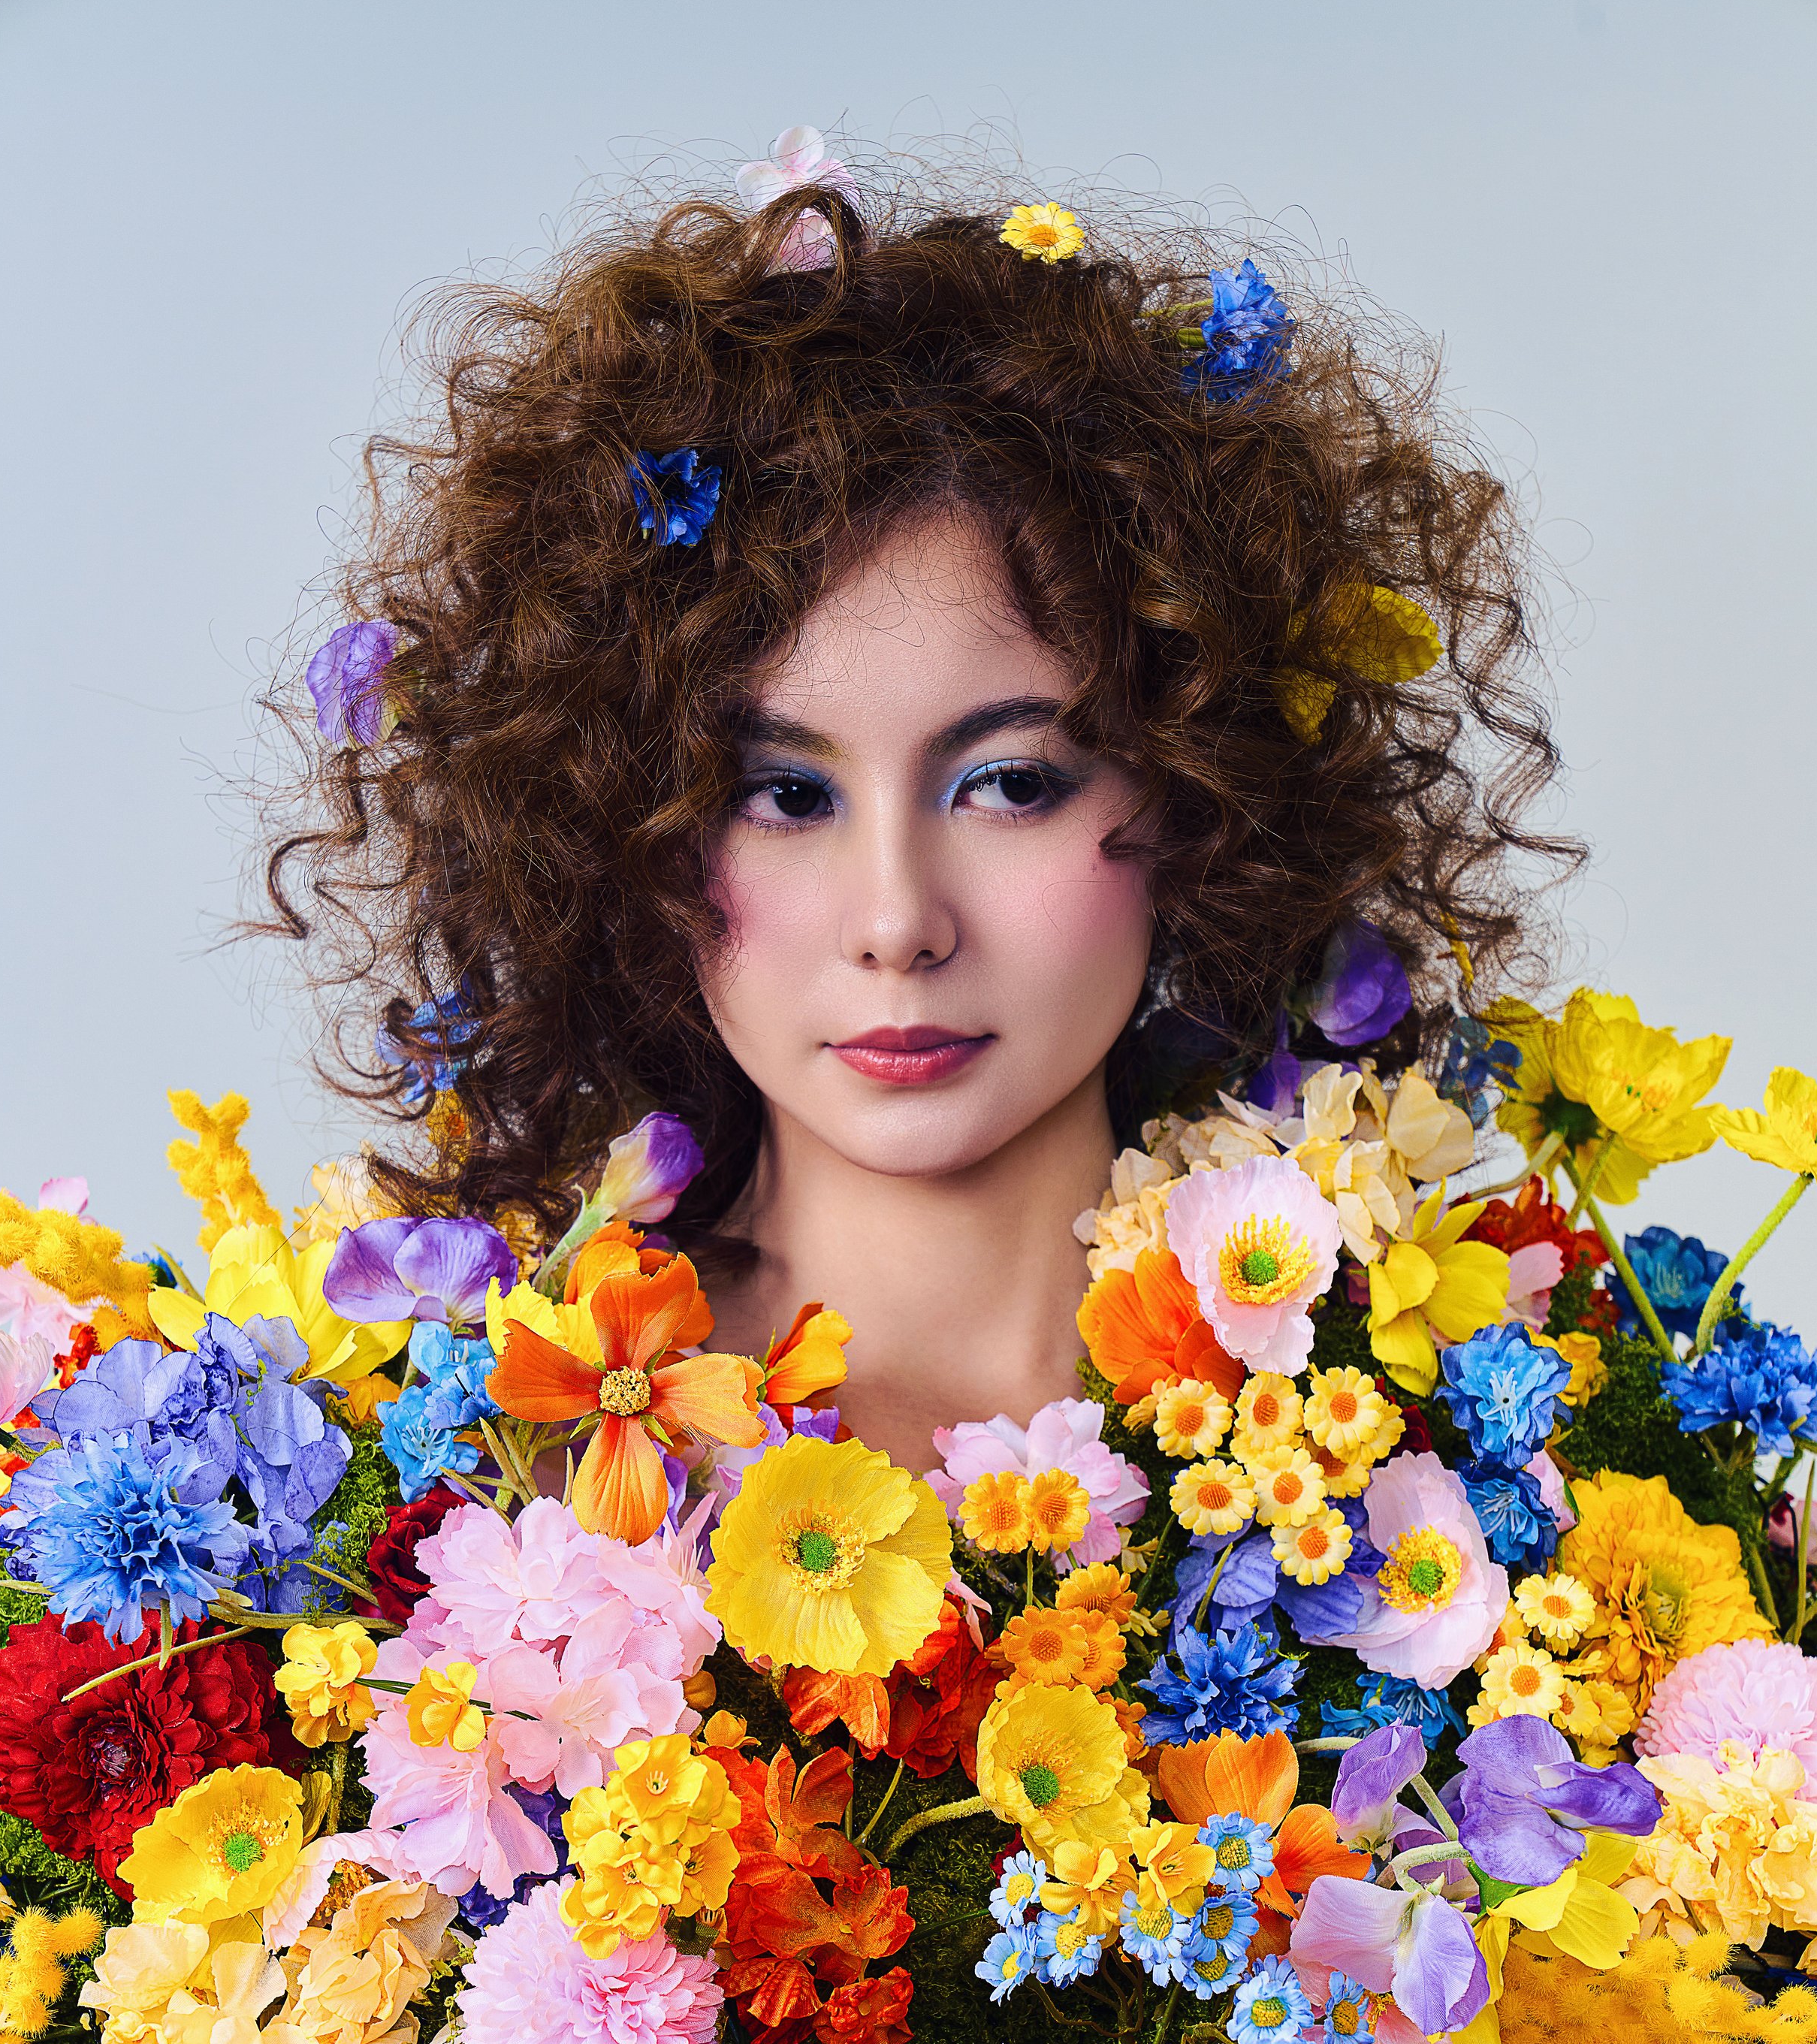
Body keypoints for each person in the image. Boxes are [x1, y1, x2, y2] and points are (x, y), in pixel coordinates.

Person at [269, 138, 1573, 1469]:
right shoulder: (460, 1468)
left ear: (1199, 797)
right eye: (783, 793)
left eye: (1008, 785)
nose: (898, 922)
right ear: (626, 830)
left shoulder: (1452, 1457)